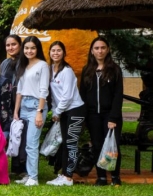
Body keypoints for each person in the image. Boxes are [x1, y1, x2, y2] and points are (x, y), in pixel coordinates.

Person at [80, 36, 124, 186]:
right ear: (92, 51)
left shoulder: (115, 69)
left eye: (103, 48)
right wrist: (85, 117)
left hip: (110, 116)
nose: (100, 51)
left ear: (108, 50)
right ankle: (102, 177)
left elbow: (118, 95)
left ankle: (116, 176)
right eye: (97, 48)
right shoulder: (87, 70)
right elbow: (83, 95)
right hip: (93, 116)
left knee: (113, 146)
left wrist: (113, 117)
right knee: (97, 145)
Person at [47, 41, 86, 187]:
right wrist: (55, 110)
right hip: (63, 111)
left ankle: (69, 177)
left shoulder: (67, 71)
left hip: (75, 110)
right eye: (53, 51)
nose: (56, 53)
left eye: (59, 51)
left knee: (71, 143)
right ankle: (64, 174)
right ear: (49, 52)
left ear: (63, 53)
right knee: (65, 143)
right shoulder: (50, 69)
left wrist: (57, 112)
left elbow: (67, 95)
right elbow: (53, 94)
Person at [13, 36, 49, 187]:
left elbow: (43, 90)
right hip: (24, 106)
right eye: (26, 48)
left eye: (32, 48)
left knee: (31, 143)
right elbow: (19, 91)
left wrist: (39, 111)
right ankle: (28, 174)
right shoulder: (23, 65)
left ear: (38, 49)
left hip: (36, 106)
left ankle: (33, 177)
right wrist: (16, 111)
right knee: (24, 143)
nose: (29, 51)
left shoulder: (42, 65)